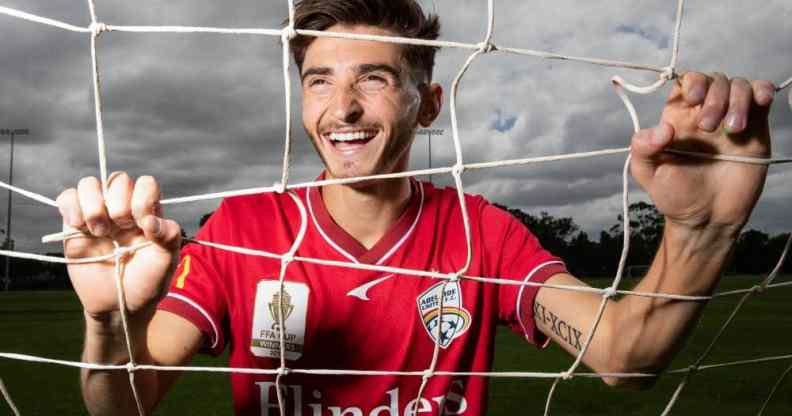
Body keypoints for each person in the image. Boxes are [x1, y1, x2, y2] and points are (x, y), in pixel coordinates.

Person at [56, 0, 777, 415]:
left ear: (427, 105)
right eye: (318, 81)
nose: (342, 108)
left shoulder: (482, 234)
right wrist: (110, 322)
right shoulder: (244, 228)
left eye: (373, 78)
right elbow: (123, 402)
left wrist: (701, 230)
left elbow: (625, 357)